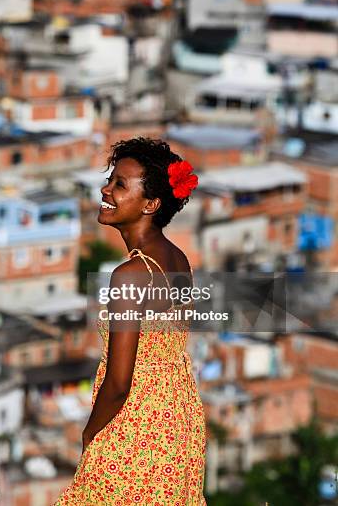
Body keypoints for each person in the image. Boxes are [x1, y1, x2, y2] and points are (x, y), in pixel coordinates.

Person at [54, 137, 207, 505]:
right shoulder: (177, 259)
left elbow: (120, 382)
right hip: (180, 420)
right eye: (110, 179)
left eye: (120, 184)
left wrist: (90, 433)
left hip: (137, 426)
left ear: (151, 204)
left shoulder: (131, 275)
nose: (106, 189)